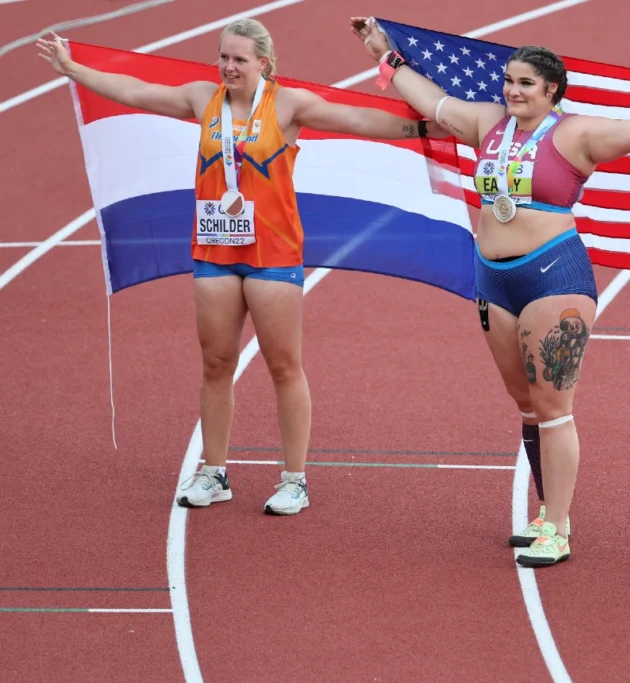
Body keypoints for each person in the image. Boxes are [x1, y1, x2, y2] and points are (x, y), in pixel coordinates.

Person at [350, 16, 630, 567]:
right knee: (526, 405)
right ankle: (549, 512)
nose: (512, 90)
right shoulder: (486, 122)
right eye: (508, 80)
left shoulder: (575, 133)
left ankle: (558, 526)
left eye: (525, 83)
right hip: (491, 275)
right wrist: (384, 55)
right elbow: (431, 102)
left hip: (554, 274)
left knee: (554, 406)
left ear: (552, 90)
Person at [37, 19, 447, 516]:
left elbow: (357, 121)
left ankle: (294, 479)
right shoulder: (200, 98)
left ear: (263, 64)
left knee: (282, 366)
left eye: (239, 60)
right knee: (215, 363)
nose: (229, 67)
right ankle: (214, 471)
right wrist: (72, 69)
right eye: (223, 57)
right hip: (214, 251)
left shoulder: (288, 105)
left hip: (272, 254)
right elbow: (137, 92)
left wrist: (423, 126)